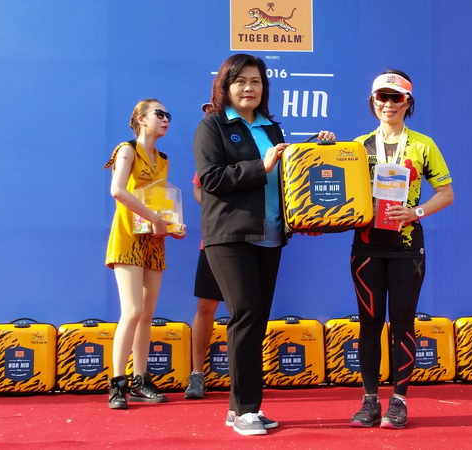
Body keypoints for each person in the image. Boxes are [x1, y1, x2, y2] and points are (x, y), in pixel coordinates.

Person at [193, 53, 334, 436]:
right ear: (225, 86)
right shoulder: (213, 125)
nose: (249, 88)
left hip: (270, 236)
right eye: (240, 81)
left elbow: (286, 178)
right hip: (230, 235)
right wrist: (262, 166)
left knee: (255, 321)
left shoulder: (271, 127)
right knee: (246, 315)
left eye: (256, 81)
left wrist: (304, 211)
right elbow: (211, 179)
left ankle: (238, 407)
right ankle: (246, 411)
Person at [348, 70, 453, 429]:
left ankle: (399, 401)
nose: (389, 104)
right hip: (366, 246)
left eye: (396, 98)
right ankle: (369, 401)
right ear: (372, 101)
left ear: (408, 103)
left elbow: (446, 193)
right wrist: (327, 145)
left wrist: (415, 212)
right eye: (382, 97)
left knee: (403, 324)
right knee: (369, 324)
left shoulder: (423, 145)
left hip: (407, 248)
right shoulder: (358, 146)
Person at [104, 98, 186, 410]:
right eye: (159, 114)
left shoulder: (162, 159)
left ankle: (140, 381)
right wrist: (156, 219)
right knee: (133, 311)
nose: (166, 119)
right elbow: (118, 190)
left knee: (147, 314)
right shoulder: (127, 150)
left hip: (153, 241)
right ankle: (117, 383)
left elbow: (158, 200)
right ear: (141, 118)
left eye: (168, 115)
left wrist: (173, 225)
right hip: (128, 236)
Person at [183, 170, 223, 400]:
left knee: (248, 310)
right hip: (215, 238)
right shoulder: (215, 151)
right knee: (206, 306)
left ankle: (246, 375)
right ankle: (197, 374)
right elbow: (198, 187)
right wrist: (213, 203)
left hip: (254, 240)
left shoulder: (264, 152)